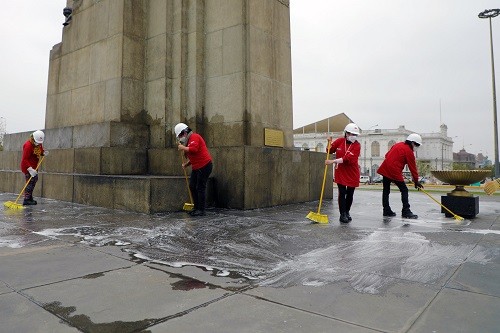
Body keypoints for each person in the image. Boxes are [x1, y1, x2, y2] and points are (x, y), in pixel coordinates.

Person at [377, 133, 424, 219]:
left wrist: (396, 162)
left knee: (386, 190)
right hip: (394, 171)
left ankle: (386, 210)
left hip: (385, 167)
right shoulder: (409, 152)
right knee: (404, 190)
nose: (417, 147)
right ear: (412, 143)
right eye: (417, 145)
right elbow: (412, 168)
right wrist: (416, 181)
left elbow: (387, 155)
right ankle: (406, 211)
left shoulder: (398, 144)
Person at [325, 123, 361, 223]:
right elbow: (330, 150)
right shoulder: (340, 141)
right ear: (346, 133)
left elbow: (348, 159)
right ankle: (342, 214)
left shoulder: (357, 145)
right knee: (342, 193)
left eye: (355, 134)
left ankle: (347, 211)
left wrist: (333, 161)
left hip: (352, 172)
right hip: (340, 171)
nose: (353, 136)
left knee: (350, 194)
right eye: (351, 134)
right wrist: (329, 143)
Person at [175, 123, 213, 216]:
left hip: (204, 166)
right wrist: (186, 164)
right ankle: (196, 207)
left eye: (180, 135)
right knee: (192, 186)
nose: (180, 138)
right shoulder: (188, 141)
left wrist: (183, 147)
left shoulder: (194, 137)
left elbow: (194, 149)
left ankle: (201, 210)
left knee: (200, 187)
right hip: (197, 167)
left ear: (185, 132)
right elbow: (194, 157)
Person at [20, 130, 46, 205]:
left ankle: (29, 197)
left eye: (39, 143)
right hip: (28, 167)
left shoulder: (39, 143)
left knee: (34, 180)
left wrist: (43, 153)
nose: (38, 144)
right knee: (30, 182)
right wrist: (30, 169)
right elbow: (24, 160)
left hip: (34, 167)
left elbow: (40, 151)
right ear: (33, 138)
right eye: (37, 142)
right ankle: (26, 199)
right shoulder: (28, 145)